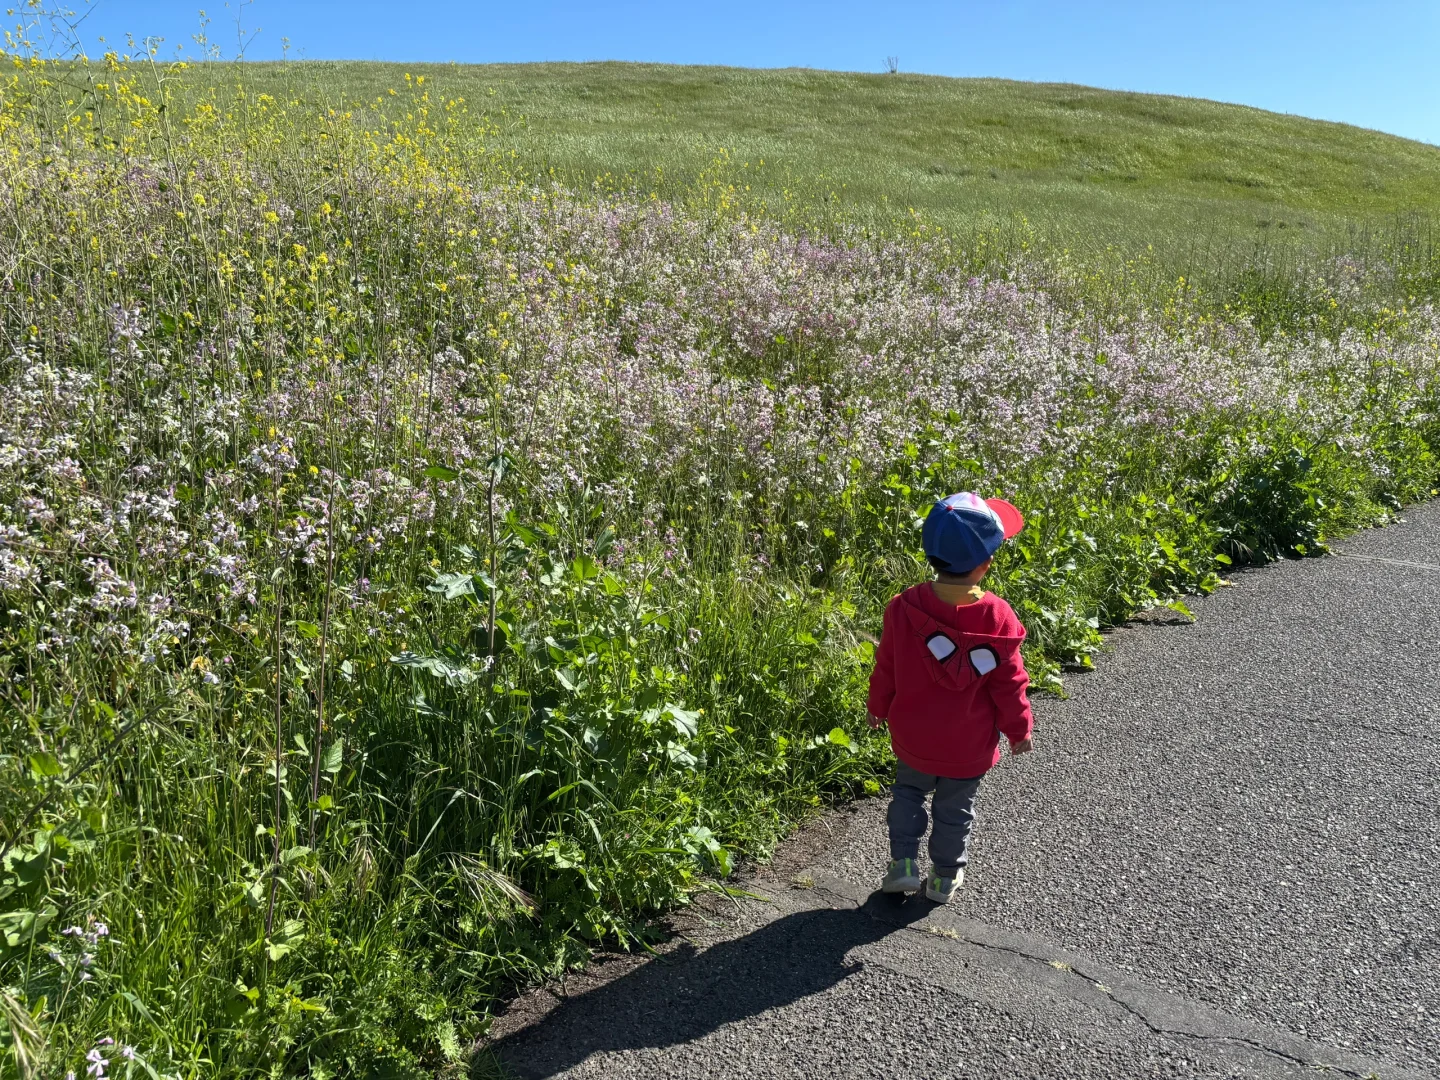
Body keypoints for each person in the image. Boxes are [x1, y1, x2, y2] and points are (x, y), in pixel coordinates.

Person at [866, 492, 1034, 904]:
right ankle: (944, 878)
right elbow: (1009, 683)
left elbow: (886, 665)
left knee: (907, 794)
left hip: (914, 736)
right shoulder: (999, 617)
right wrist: (1019, 729)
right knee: (955, 810)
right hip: (968, 745)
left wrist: (877, 706)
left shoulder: (903, 608)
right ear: (985, 565)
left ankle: (902, 865)